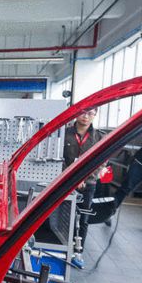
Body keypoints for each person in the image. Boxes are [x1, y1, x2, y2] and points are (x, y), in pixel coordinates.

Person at [62, 107, 103, 269]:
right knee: (63, 214)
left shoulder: (99, 137)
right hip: (64, 182)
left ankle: (78, 251)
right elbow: (60, 157)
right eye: (83, 112)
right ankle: (63, 247)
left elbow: (101, 161)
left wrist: (83, 177)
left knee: (83, 218)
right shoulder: (64, 133)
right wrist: (72, 178)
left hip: (88, 183)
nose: (86, 116)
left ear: (95, 115)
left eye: (90, 113)